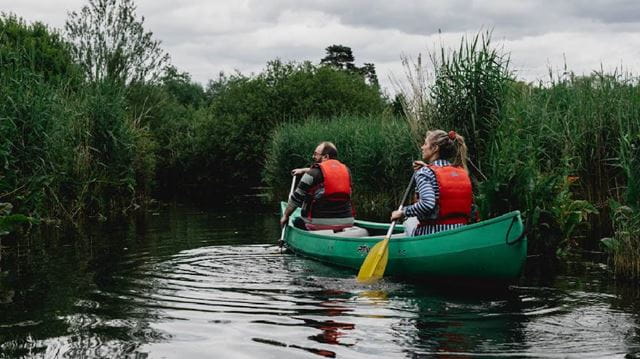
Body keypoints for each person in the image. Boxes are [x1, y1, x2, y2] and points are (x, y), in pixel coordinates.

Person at [391, 130, 473, 236]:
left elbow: (427, 204)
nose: (422, 147)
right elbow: (440, 176)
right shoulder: (461, 172)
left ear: (435, 148)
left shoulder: (424, 172)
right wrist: (426, 167)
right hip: (461, 232)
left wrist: (403, 212)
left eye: (425, 144)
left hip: (435, 233)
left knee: (408, 222)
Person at [280, 141, 355, 231]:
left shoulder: (312, 174)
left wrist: (285, 215)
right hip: (347, 221)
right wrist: (304, 170)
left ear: (325, 157)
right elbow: (327, 173)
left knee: (297, 221)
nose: (313, 157)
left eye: (316, 154)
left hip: (318, 223)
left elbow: (296, 199)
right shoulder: (347, 171)